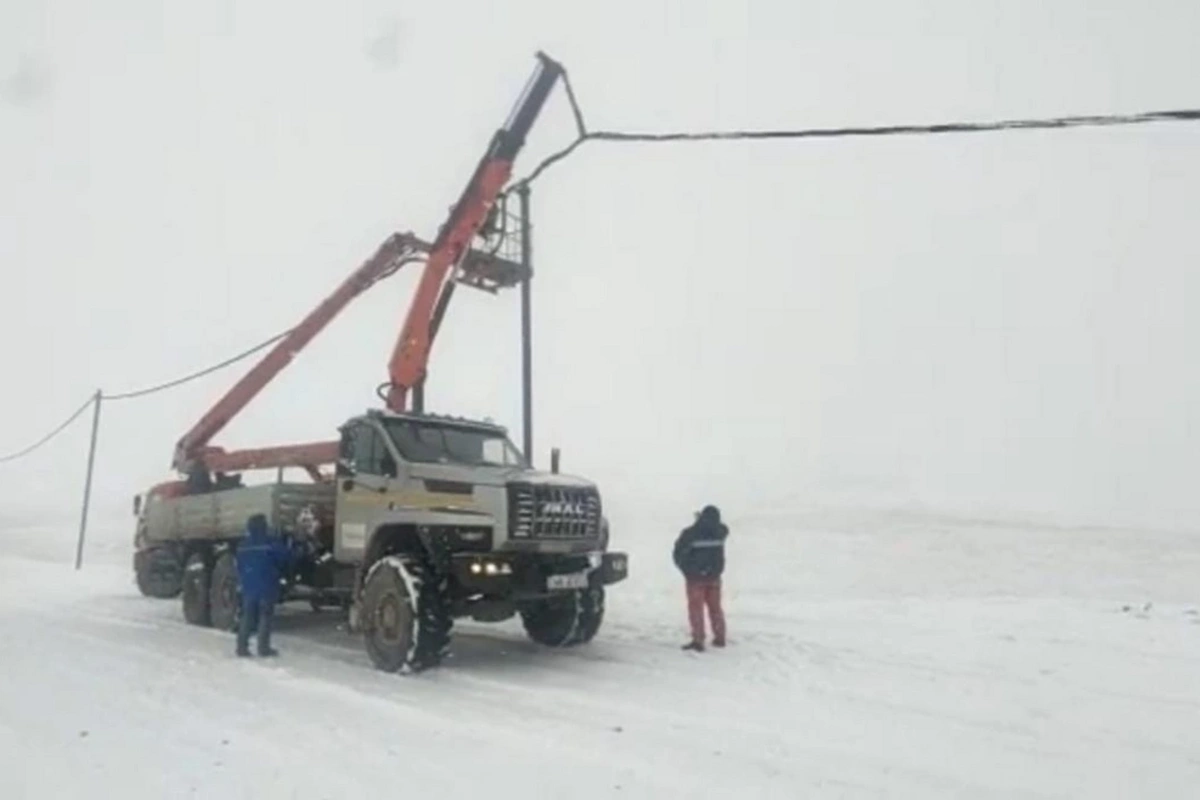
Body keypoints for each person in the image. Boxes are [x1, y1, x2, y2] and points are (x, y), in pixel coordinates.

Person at [235, 513, 293, 657]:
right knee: (265, 617)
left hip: (249, 588)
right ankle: (263, 648)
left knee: (247, 617)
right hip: (267, 586)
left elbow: (239, 566)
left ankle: (241, 647)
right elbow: (285, 558)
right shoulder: (270, 544)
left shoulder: (243, 546)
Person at [673, 504, 729, 652]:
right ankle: (720, 637)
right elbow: (723, 530)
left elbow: (678, 552)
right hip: (714, 577)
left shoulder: (691, 534)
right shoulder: (720, 533)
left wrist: (686, 570)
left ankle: (698, 640)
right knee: (715, 608)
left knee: (696, 609)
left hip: (695, 579)